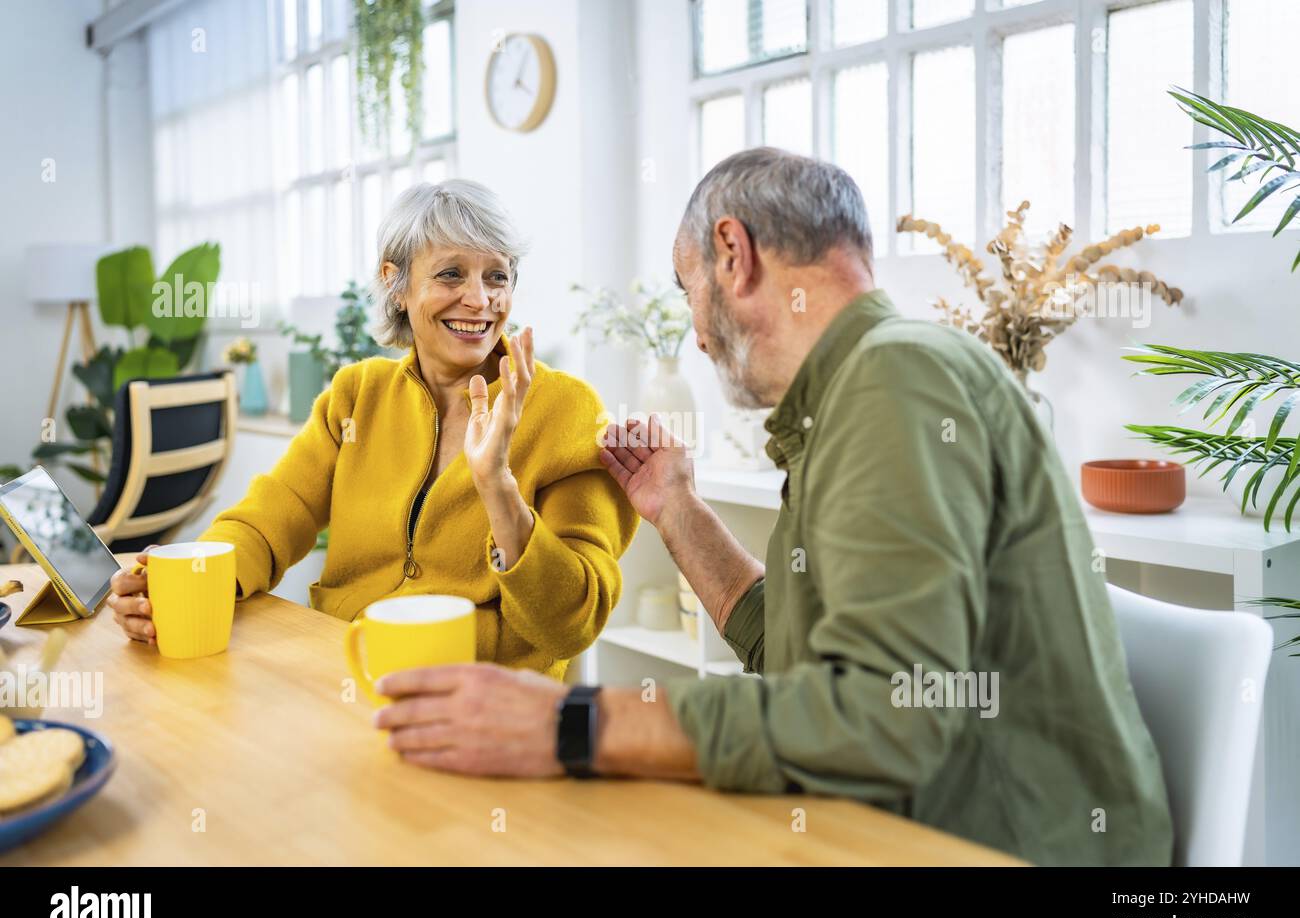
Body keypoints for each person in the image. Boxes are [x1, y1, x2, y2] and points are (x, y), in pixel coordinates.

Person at [367, 149, 1174, 866]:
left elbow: (882, 714)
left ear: (732, 255)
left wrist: (569, 724)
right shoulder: (861, 389)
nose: (696, 337)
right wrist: (676, 510)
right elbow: (802, 666)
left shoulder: (898, 381)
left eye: (689, 294)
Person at [106, 180, 639, 679]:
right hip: (343, 678)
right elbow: (268, 520)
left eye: (496, 275)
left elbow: (571, 623)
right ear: (395, 283)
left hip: (476, 705)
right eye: (451, 274)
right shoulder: (358, 395)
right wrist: (175, 586)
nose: (479, 300)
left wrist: (498, 487)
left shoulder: (566, 410)